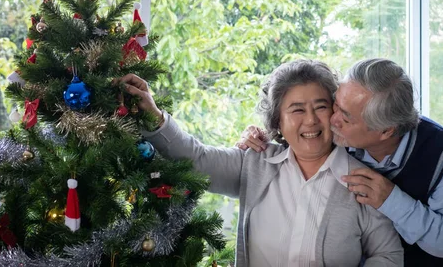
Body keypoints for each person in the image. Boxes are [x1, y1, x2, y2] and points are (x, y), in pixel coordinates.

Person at [116, 59, 403, 267]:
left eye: (321, 107)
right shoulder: (254, 163)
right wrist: (154, 115)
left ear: (335, 111)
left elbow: (389, 255)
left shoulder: (365, 182)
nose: (311, 120)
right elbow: (197, 160)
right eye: (297, 110)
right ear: (278, 120)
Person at [238, 58, 443, 267]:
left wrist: (393, 201)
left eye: (345, 117)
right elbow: (301, 123)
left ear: (385, 132)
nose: (330, 119)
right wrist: (261, 135)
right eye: (336, 103)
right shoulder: (343, 132)